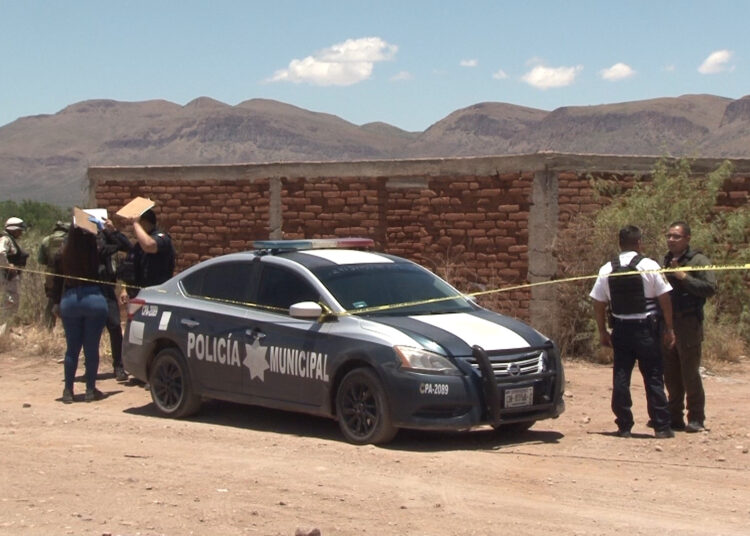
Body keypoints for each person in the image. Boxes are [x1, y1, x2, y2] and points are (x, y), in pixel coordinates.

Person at [590, 225, 676, 439]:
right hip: (646, 329)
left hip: (620, 329)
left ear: (619, 244)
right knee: (654, 376)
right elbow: (664, 298)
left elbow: (598, 303)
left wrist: (602, 331)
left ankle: (624, 425)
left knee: (621, 376)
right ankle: (662, 427)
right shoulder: (649, 265)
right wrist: (669, 328)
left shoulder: (606, 269)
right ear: (639, 243)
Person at [662, 221, 717, 433]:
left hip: (688, 323)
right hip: (667, 323)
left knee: (689, 373)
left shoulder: (698, 260)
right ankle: (674, 416)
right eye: (669, 236)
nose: (671, 240)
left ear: (687, 239)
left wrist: (684, 277)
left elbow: (710, 288)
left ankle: (696, 417)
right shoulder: (665, 261)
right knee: (670, 373)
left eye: (676, 236)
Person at [52, 220, 108, 403]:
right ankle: (90, 390)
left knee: (72, 349)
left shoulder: (62, 254)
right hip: (94, 298)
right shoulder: (97, 251)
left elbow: (56, 281)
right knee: (91, 348)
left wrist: (56, 302)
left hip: (70, 299)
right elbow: (122, 247)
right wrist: (106, 230)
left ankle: (68, 390)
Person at [98, 218, 132, 382]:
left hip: (107, 288)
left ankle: (118, 365)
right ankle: (90, 366)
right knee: (92, 329)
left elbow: (127, 247)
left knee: (115, 325)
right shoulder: (85, 239)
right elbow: (100, 251)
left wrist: (114, 231)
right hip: (92, 289)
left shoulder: (106, 236)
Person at [118, 209, 175, 305]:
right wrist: (125, 289)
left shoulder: (162, 238)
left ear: (144, 222)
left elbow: (149, 246)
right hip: (137, 296)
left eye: (139, 224)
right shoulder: (138, 245)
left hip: (156, 296)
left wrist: (136, 223)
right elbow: (131, 267)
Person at [38, 220, 71, 330]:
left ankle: (48, 327)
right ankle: (68, 329)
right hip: (69, 273)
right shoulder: (71, 240)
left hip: (51, 274)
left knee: (52, 300)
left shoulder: (46, 240)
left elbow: (41, 260)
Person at [0, 217, 28, 335]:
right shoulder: (6, 239)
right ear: (14, 229)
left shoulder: (9, 239)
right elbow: (1, 253)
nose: (21, 232)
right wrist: (8, 266)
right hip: (7, 277)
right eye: (20, 229)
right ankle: (3, 334)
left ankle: (5, 331)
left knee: (11, 303)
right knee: (10, 303)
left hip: (9, 277)